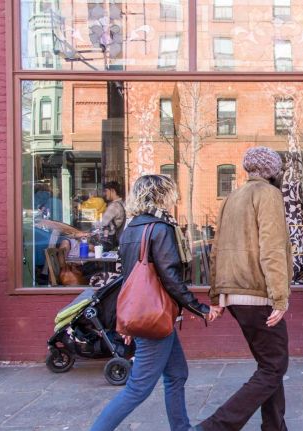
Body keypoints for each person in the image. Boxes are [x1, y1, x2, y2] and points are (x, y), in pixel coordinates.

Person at [90, 174, 210, 431]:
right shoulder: (160, 228)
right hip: (155, 317)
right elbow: (171, 279)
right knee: (138, 389)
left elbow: (127, 278)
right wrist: (200, 309)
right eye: (170, 193)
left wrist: (127, 321)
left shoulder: (131, 228)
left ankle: (182, 428)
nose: (173, 198)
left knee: (177, 375)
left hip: (148, 315)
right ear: (160, 195)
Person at [195, 147, 293, 431]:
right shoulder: (269, 195)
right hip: (258, 293)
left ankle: (274, 428)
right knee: (274, 366)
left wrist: (216, 295)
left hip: (233, 294)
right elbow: (272, 249)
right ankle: (215, 426)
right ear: (272, 171)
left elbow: (216, 251)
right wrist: (280, 297)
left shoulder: (231, 198)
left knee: (268, 365)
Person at [96, 181, 126, 249]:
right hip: (117, 239)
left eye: (106, 191)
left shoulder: (114, 206)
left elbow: (102, 223)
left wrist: (91, 222)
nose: (105, 193)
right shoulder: (122, 203)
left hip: (109, 241)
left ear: (112, 190)